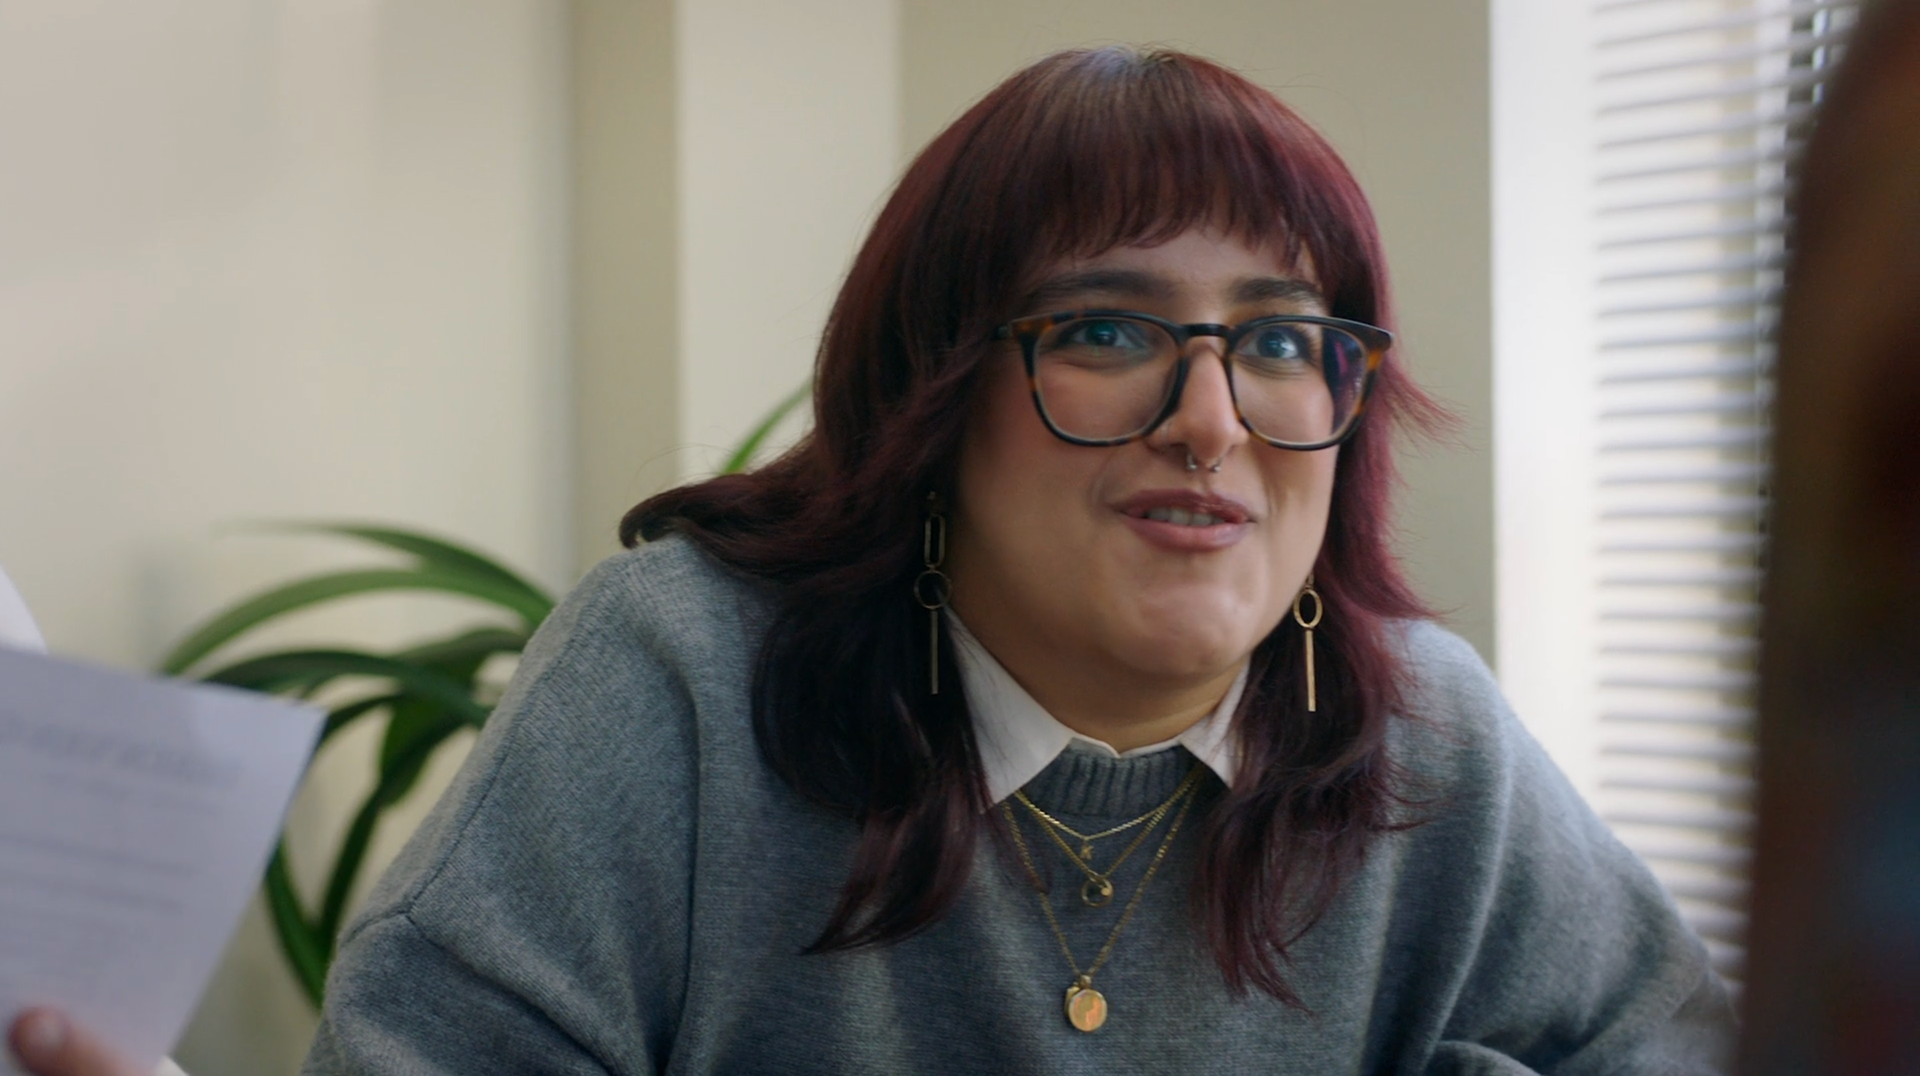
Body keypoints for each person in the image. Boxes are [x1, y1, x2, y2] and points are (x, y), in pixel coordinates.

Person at [275, 47, 1728, 1072]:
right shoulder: (685, 679)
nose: (1211, 421)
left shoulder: (1420, 726)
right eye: (1106, 330)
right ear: (934, 395)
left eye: (1282, 341)